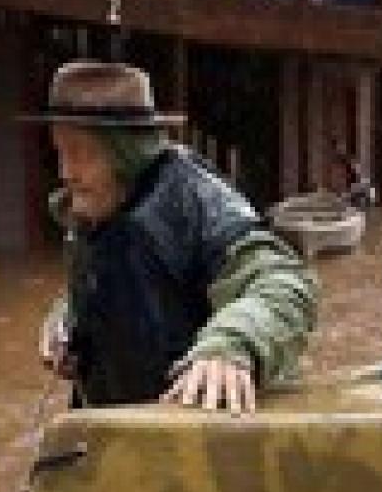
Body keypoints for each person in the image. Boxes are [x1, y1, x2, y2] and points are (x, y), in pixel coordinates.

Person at [27, 59, 317, 414]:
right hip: (113, 425)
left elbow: (283, 281)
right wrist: (67, 323)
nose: (66, 172)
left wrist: (231, 345)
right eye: (60, 152)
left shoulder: (193, 198)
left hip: (197, 424)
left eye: (81, 153)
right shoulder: (90, 208)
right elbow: (98, 285)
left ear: (125, 152)